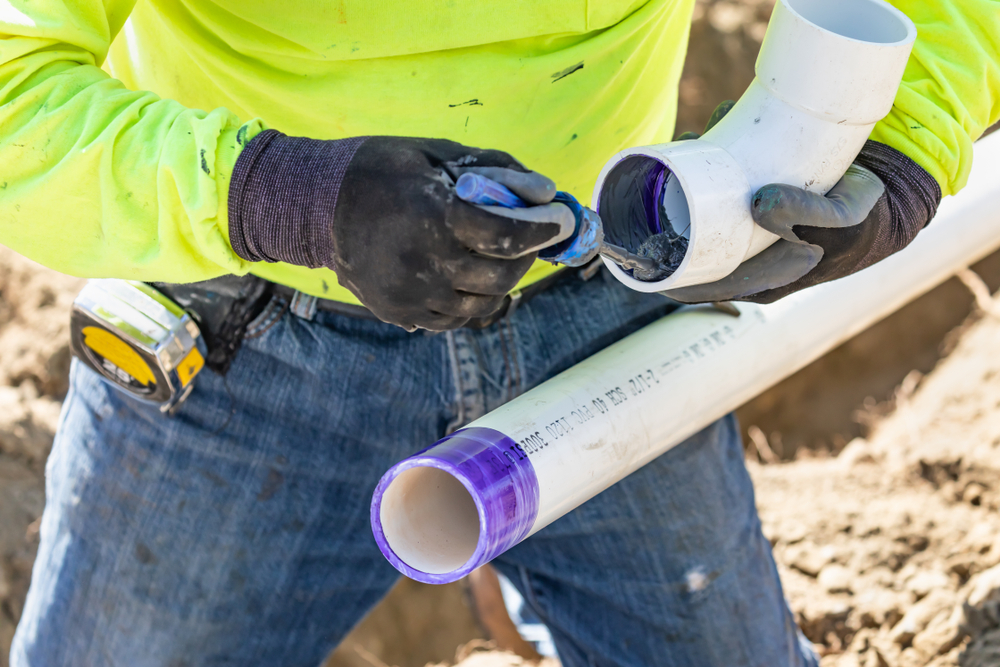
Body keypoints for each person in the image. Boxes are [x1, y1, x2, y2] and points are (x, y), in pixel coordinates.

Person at [2, 0, 997, 665]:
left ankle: (509, 565)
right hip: (248, 340)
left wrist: (903, 134)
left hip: (602, 315)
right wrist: (291, 196)